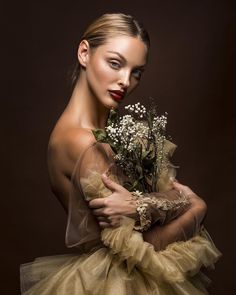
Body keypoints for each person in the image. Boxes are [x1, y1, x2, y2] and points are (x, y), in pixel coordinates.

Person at [20, 13, 221, 294]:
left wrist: (145, 203)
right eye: (115, 63)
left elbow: (144, 211)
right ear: (84, 53)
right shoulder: (80, 141)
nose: (125, 81)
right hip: (116, 282)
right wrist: (196, 207)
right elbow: (146, 245)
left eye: (136, 72)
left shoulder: (108, 133)